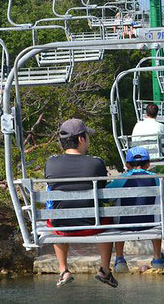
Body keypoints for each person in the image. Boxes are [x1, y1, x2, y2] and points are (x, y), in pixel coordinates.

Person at [45, 119, 117, 288]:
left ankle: (63, 270)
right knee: (107, 217)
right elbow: (102, 191)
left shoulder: (51, 163)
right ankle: (105, 270)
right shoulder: (96, 163)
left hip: (62, 225)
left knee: (55, 216)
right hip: (92, 224)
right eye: (87, 136)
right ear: (81, 139)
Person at [109, 146, 164, 273]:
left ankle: (120, 259)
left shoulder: (121, 179)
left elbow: (107, 197)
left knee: (117, 219)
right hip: (151, 224)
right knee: (157, 216)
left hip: (124, 225)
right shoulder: (156, 178)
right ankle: (157, 257)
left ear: (128, 164)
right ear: (148, 164)